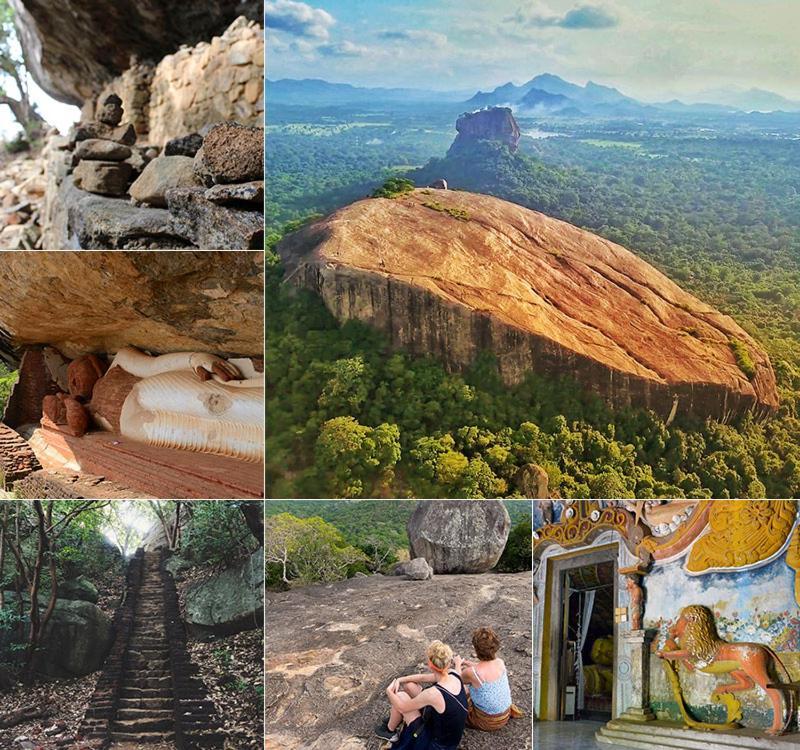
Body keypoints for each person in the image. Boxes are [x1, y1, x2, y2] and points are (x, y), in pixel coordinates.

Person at [375, 641, 468, 748]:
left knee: (401, 696)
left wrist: (389, 692)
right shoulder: (453, 674)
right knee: (409, 685)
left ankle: (389, 731)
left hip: (436, 744)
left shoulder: (432, 694)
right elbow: (423, 678)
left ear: (430, 665)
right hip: (448, 735)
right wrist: (400, 680)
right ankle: (395, 721)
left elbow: (402, 707)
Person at [459, 627, 523, 731]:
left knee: (458, 690)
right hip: (505, 715)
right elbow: (485, 666)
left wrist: (458, 663)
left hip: (486, 722)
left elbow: (457, 680)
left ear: (476, 649)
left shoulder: (472, 673)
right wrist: (467, 663)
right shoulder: (500, 662)